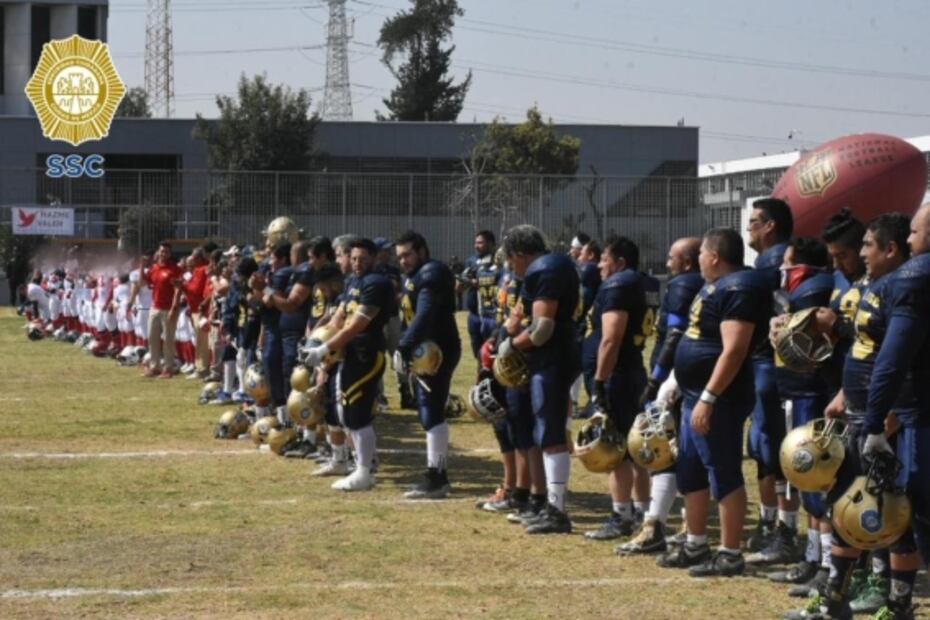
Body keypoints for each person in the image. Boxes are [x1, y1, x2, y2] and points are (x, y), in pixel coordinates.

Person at [785, 214, 918, 620]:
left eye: (867, 247)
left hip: (885, 417)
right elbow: (866, 349)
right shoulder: (875, 286)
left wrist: (891, 411)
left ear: (890, 249)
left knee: (890, 509)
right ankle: (835, 600)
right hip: (859, 410)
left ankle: (896, 604)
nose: (861, 253)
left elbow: (904, 360)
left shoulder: (905, 288)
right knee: (846, 501)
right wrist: (845, 391)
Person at [659, 228, 768, 577]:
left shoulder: (738, 287)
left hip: (719, 397)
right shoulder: (712, 285)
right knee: (690, 470)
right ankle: (695, 542)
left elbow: (734, 350)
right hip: (694, 394)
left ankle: (730, 552)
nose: (700, 261)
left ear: (715, 256)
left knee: (722, 472)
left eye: (703, 254)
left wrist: (709, 396)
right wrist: (678, 380)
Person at [750, 238, 833, 570]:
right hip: (794, 391)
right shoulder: (797, 294)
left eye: (788, 263)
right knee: (795, 470)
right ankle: (813, 554)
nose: (783, 270)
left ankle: (824, 561)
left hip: (810, 393)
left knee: (814, 475)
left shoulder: (813, 291)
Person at [618, 237, 703, 556]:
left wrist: (657, 380)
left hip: (674, 378)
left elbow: (676, 337)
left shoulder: (683, 286)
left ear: (688, 262)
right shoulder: (700, 285)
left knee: (663, 452)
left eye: (672, 258)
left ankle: (655, 526)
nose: (668, 264)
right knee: (681, 453)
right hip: (686, 376)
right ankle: (680, 524)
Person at [500, 225, 580, 534]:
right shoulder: (553, 266)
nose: (511, 267)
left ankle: (556, 511)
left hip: (552, 360)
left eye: (511, 260)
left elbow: (543, 328)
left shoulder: (545, 268)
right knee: (544, 432)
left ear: (520, 255)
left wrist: (513, 344)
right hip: (551, 359)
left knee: (550, 434)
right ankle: (549, 505)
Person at [302, 238, 396, 492]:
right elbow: (339, 317)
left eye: (363, 259)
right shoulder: (354, 281)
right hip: (349, 353)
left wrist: (324, 348)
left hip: (367, 353)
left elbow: (357, 325)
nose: (357, 263)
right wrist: (315, 342)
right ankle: (351, 464)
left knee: (356, 415)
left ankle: (364, 472)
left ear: (375, 258)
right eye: (353, 258)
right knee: (341, 412)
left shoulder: (377, 283)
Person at [583, 236, 650, 540]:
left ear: (620, 263)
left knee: (616, 449)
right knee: (634, 450)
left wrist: (599, 380)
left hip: (619, 375)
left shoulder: (619, 285)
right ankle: (640, 512)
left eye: (604, 259)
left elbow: (611, 338)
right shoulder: (640, 283)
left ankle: (622, 515)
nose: (599, 265)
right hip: (632, 370)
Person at [395, 231, 462, 499]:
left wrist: (404, 345)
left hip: (437, 351)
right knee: (428, 411)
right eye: (399, 256)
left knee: (431, 411)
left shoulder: (432, 272)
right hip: (426, 350)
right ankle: (436, 474)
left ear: (423, 251)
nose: (403, 261)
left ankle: (438, 477)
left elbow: (425, 314)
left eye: (408, 254)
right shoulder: (415, 276)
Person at [745, 197, 795, 553]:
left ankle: (786, 529)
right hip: (763, 366)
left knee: (778, 449)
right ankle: (770, 521)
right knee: (763, 447)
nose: (748, 229)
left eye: (753, 222)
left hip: (776, 367)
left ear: (769, 226)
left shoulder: (779, 263)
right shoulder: (766, 263)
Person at [143, 242, 183, 378]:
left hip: (168, 309)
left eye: (166, 251)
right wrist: (142, 264)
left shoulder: (175, 269)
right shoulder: (154, 268)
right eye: (161, 251)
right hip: (155, 308)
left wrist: (173, 307)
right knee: (152, 337)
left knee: (168, 340)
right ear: (158, 252)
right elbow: (143, 282)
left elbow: (178, 290)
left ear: (170, 254)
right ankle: (154, 367)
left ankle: (168, 368)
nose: (163, 254)